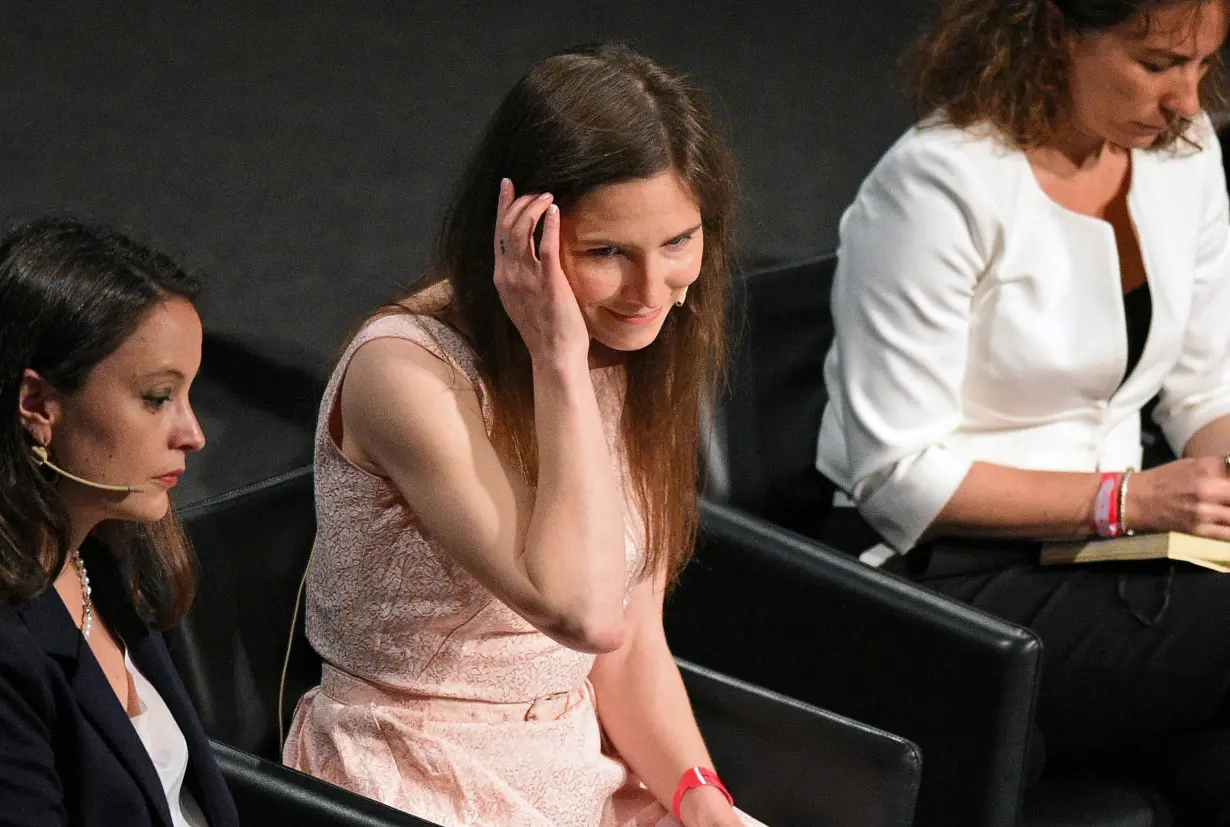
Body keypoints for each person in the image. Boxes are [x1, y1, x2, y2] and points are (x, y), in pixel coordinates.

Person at [283, 43, 766, 827]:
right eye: (607, 252)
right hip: (413, 770)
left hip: (575, 760)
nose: (651, 291)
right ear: (520, 235)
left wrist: (698, 796)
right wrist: (559, 360)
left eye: (679, 242)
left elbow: (631, 641)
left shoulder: (631, 341)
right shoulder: (403, 374)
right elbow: (582, 611)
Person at [815, 0, 1230, 821]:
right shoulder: (940, 181)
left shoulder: (1184, 155)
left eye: (1202, 65)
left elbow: (1204, 389)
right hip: (939, 572)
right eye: (1156, 64)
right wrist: (1125, 500)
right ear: (1049, 38)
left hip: (1111, 557)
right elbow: (900, 479)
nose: (1188, 99)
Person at [0, 218, 236, 827]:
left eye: (189, 395)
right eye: (158, 397)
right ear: (37, 406)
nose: (193, 434)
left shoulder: (102, 556)